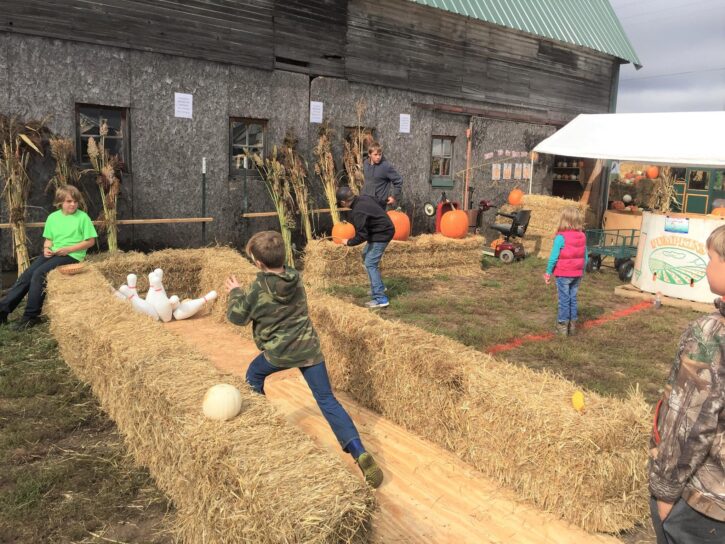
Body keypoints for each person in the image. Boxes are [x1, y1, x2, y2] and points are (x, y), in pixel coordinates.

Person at [224, 230, 383, 488]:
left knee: (254, 374)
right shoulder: (295, 277)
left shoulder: (257, 289)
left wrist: (235, 292)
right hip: (309, 349)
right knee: (327, 400)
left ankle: (265, 428)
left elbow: (237, 317)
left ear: (259, 264)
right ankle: (358, 451)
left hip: (280, 352)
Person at [648, 225, 725, 543]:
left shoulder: (710, 336)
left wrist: (665, 493)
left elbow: (689, 423)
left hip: (705, 504)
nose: (707, 267)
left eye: (711, 259)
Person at [0, 185, 97, 330]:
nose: (73, 204)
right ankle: (3, 310)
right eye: (69, 201)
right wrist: (46, 249)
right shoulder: (53, 217)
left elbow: (90, 241)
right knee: (28, 274)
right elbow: (49, 240)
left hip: (72, 255)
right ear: (60, 202)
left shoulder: (83, 217)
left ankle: (30, 316)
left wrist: (68, 249)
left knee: (39, 274)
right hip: (54, 253)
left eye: (75, 201)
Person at [335, 186, 394, 309]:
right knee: (365, 255)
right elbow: (378, 201)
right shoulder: (364, 198)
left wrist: (349, 242)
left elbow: (362, 235)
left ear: (343, 202)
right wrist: (385, 201)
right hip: (380, 230)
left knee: (370, 263)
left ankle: (380, 299)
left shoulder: (357, 211)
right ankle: (379, 287)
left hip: (382, 233)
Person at [543, 206, 587, 336]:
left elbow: (553, 257)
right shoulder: (582, 236)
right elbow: (585, 256)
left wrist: (548, 272)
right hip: (577, 274)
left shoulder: (560, 237)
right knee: (573, 298)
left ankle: (562, 326)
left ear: (563, 220)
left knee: (564, 300)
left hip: (563, 274)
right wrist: (581, 270)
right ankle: (572, 326)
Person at [361, 142, 403, 209]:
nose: (378, 157)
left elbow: (398, 181)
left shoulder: (385, 166)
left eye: (380, 154)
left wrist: (394, 196)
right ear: (369, 154)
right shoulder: (366, 163)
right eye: (375, 154)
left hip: (379, 203)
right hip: (366, 200)